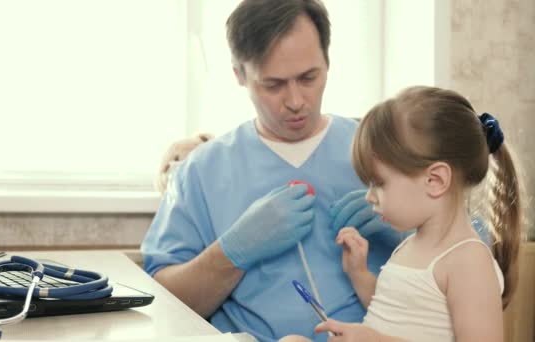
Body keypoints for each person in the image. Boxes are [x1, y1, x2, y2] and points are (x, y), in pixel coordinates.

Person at [141, 1, 403, 341]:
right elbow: (163, 305)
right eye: (273, 84)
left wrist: (408, 232)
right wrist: (232, 252)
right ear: (239, 74)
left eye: (309, 77)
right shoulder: (202, 171)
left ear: (327, 61)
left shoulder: (385, 151)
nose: (296, 100)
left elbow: (471, 254)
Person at [281, 86, 523, 342]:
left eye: (379, 183)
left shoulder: (468, 261)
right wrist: (359, 274)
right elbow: (398, 316)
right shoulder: (412, 244)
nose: (369, 196)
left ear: (435, 180)